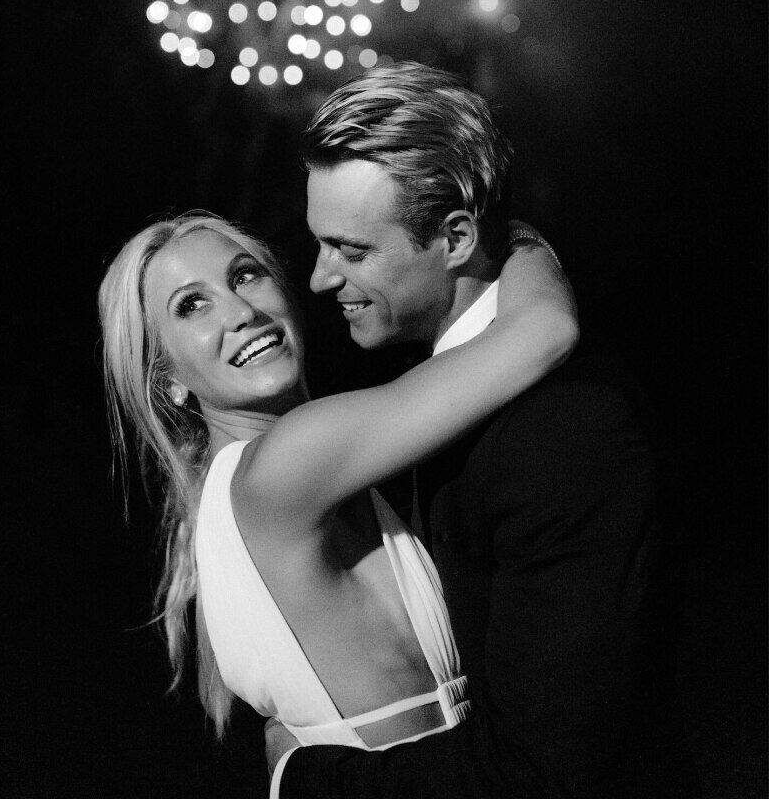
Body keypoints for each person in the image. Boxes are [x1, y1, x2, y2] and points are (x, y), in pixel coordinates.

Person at [269, 62, 660, 799]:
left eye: (352, 251)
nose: (320, 279)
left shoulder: (564, 434)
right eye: (321, 244)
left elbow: (540, 775)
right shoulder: (434, 394)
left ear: (454, 238)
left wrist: (304, 779)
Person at [99, 206, 576, 796]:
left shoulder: (256, 495)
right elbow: (543, 331)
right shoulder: (284, 465)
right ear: (166, 379)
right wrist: (511, 234)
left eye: (245, 275)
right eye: (192, 306)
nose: (241, 312)